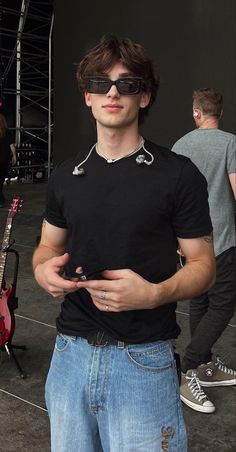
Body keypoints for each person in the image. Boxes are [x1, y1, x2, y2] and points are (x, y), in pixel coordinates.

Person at [32, 35, 215, 452]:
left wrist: (155, 293)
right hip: (69, 356)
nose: (112, 91)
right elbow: (45, 247)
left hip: (142, 361)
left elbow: (203, 263)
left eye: (128, 84)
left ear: (145, 96)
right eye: (100, 83)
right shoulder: (66, 174)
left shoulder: (178, 175)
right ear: (87, 96)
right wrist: (43, 270)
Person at [172, 87, 236, 414]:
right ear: (219, 113)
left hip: (189, 241)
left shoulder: (180, 145)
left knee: (201, 299)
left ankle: (205, 367)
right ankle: (191, 367)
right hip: (222, 239)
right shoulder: (230, 142)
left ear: (197, 112)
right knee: (224, 302)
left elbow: (169, 198)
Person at [0, 113, 16, 207]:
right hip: (4, 159)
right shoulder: (7, 132)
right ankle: (1, 200)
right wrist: (14, 156)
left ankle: (1, 199)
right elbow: (12, 145)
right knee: (1, 179)